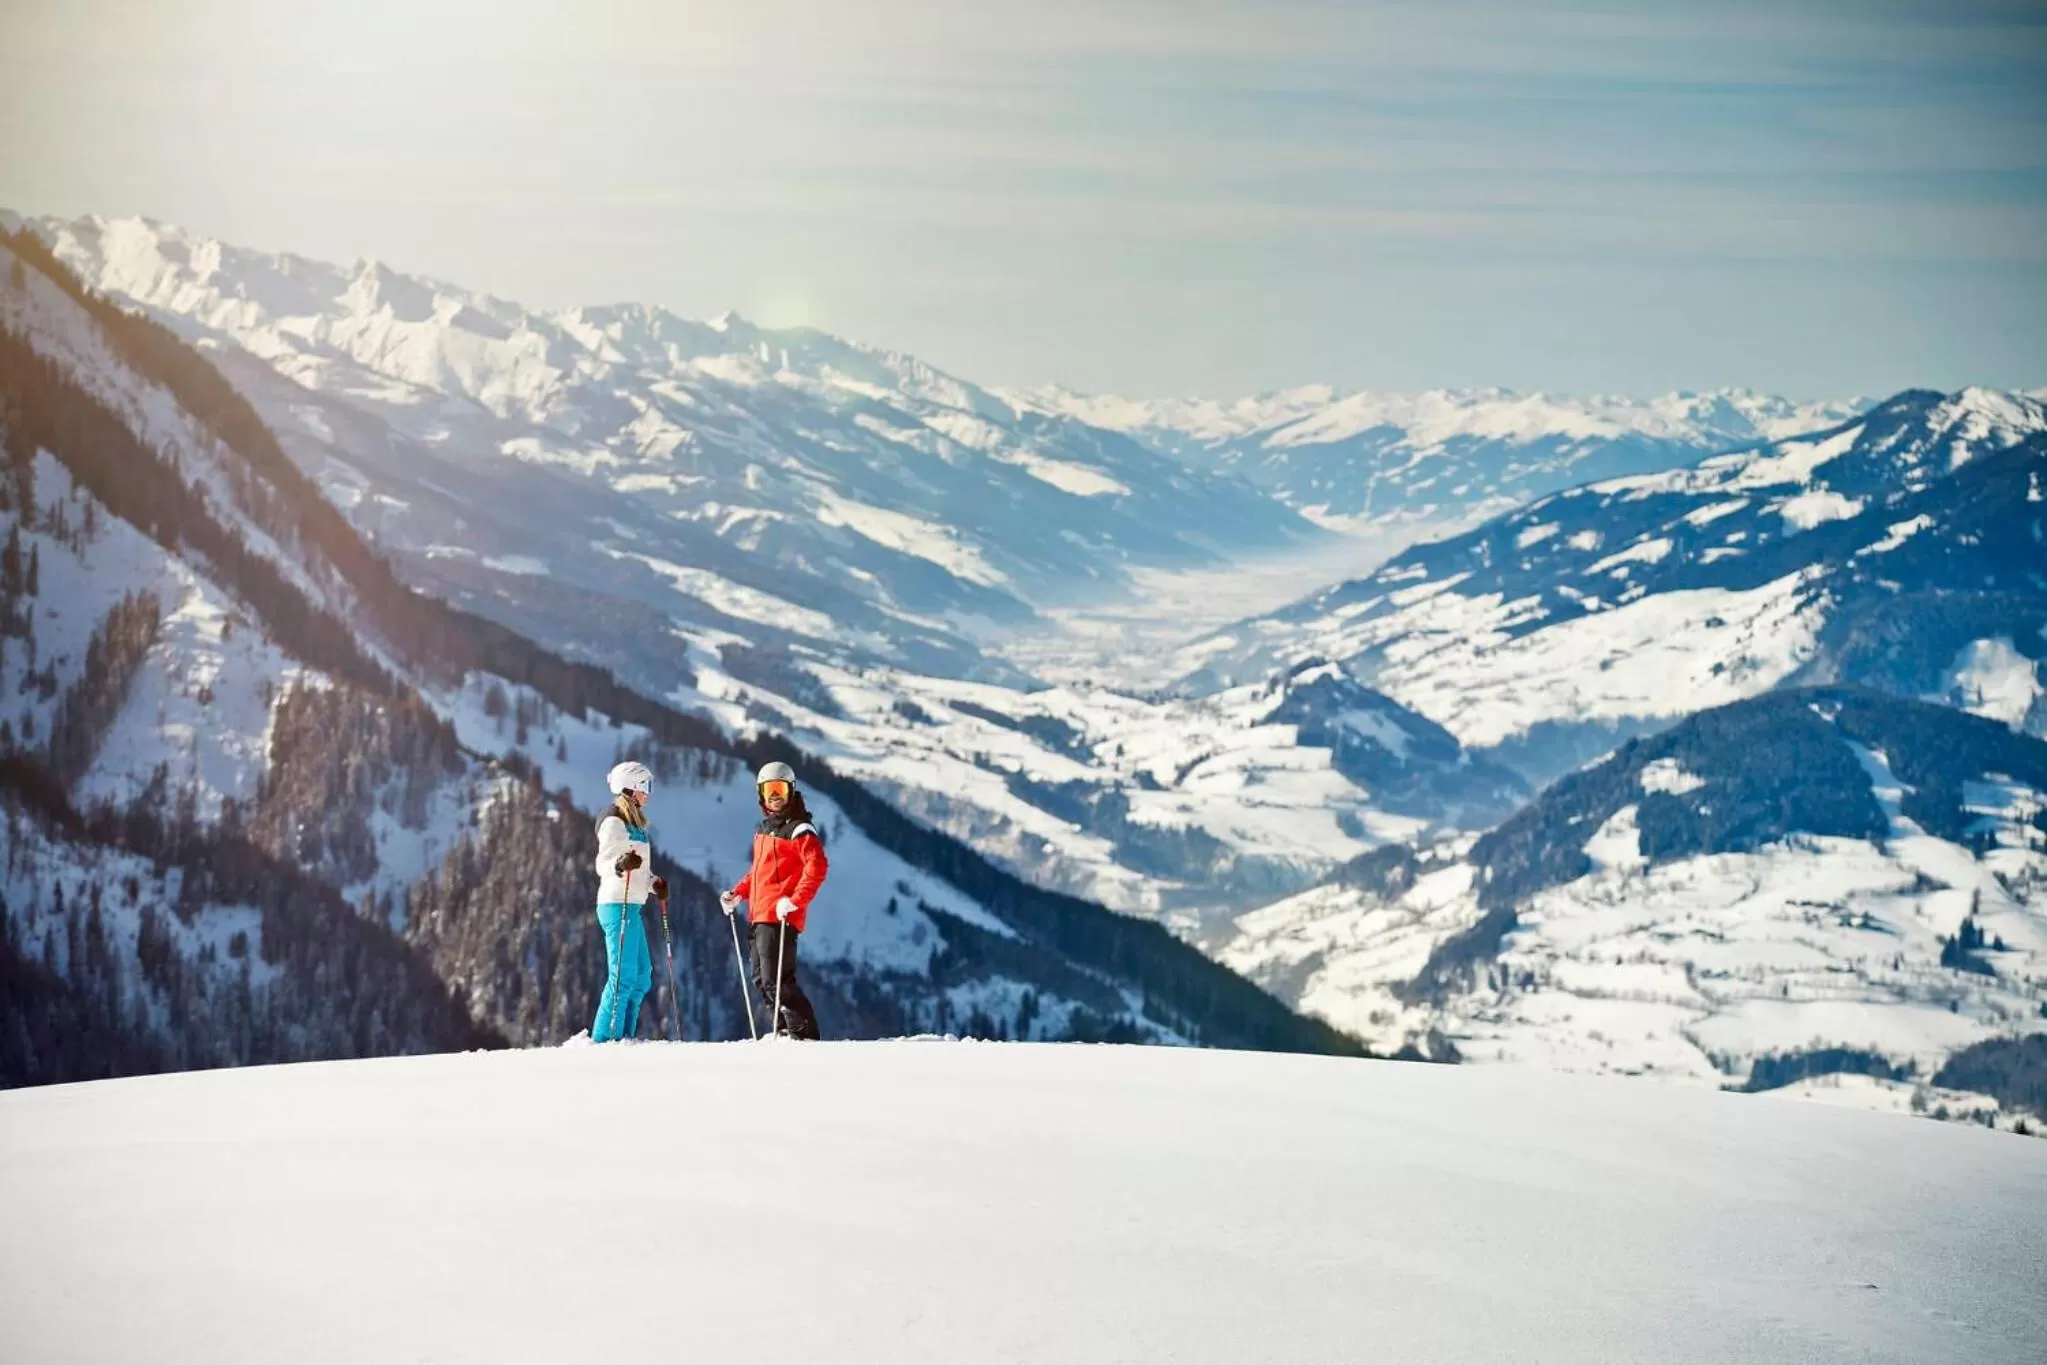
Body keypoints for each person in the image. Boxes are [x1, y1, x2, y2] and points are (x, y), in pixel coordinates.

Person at [720, 760, 827, 1039]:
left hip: (780, 915)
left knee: (776, 979)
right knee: (761, 979)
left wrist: (795, 900)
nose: (775, 796)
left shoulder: (800, 830)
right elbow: (759, 873)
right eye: (770, 790)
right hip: (759, 914)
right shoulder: (765, 830)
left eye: (780, 789)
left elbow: (817, 867)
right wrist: (738, 893)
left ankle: (804, 1035)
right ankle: (783, 1030)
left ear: (791, 790)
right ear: (761, 794)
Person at [592, 760, 668, 1042]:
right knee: (622, 976)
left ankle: (625, 1036)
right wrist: (619, 864)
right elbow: (603, 863)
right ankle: (604, 1040)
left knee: (642, 976)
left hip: (631, 906)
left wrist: (653, 883)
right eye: (645, 786)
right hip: (615, 904)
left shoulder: (636, 823)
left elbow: (641, 870)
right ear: (629, 788)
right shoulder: (613, 820)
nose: (648, 793)